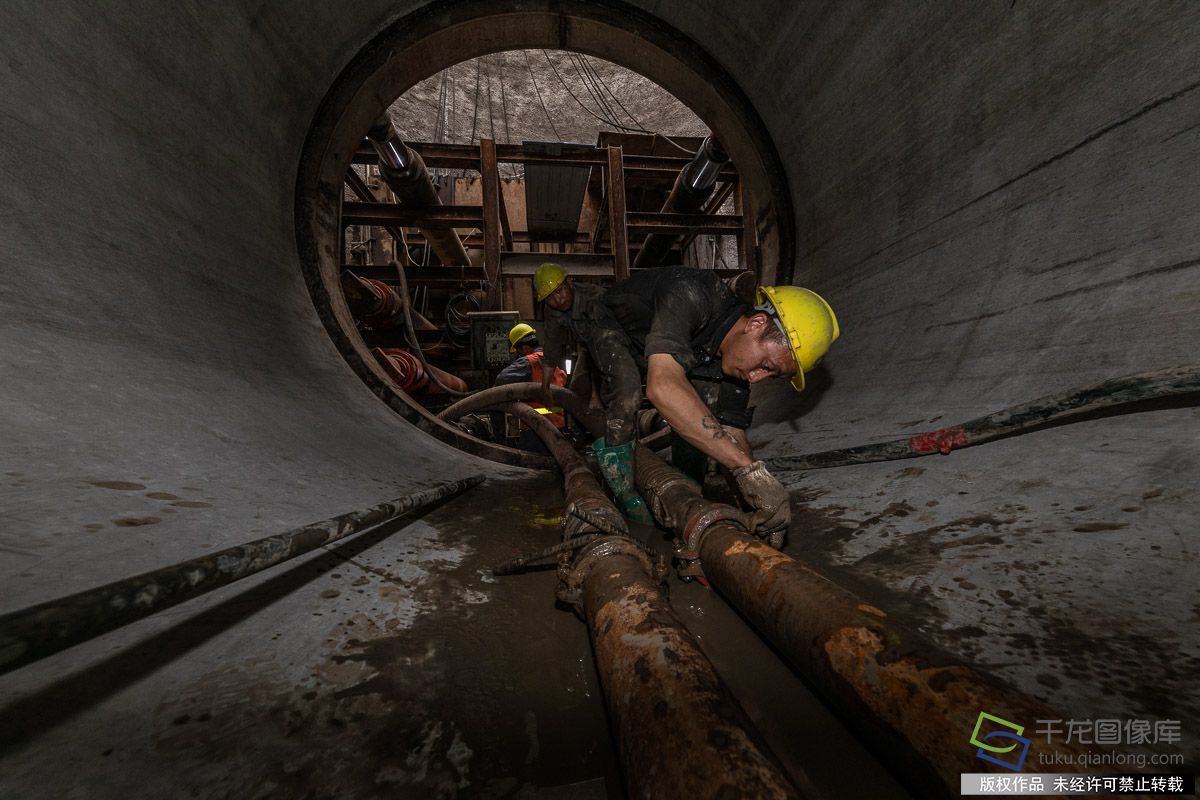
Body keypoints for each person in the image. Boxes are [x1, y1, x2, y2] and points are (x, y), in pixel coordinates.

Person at [580, 266, 839, 541]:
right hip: (611, 326)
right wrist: (746, 470)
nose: (756, 377)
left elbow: (733, 433)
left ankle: (685, 491)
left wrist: (757, 498)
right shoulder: (691, 293)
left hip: (654, 342)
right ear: (756, 324)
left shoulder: (736, 360)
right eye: (766, 365)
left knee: (703, 404)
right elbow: (662, 387)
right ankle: (625, 492)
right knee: (627, 391)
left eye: (771, 375)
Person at [532, 262, 605, 395]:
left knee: (614, 391)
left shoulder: (594, 299)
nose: (557, 300)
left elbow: (601, 346)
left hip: (614, 345)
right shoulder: (551, 310)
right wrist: (545, 387)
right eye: (550, 297)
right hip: (589, 350)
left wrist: (595, 395)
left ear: (570, 282)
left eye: (559, 291)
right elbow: (551, 346)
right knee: (578, 391)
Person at [494, 322, 568, 435]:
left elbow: (501, 379)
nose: (519, 355)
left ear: (525, 348)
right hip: (560, 425)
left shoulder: (528, 362)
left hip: (537, 428)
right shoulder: (551, 359)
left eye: (519, 352)